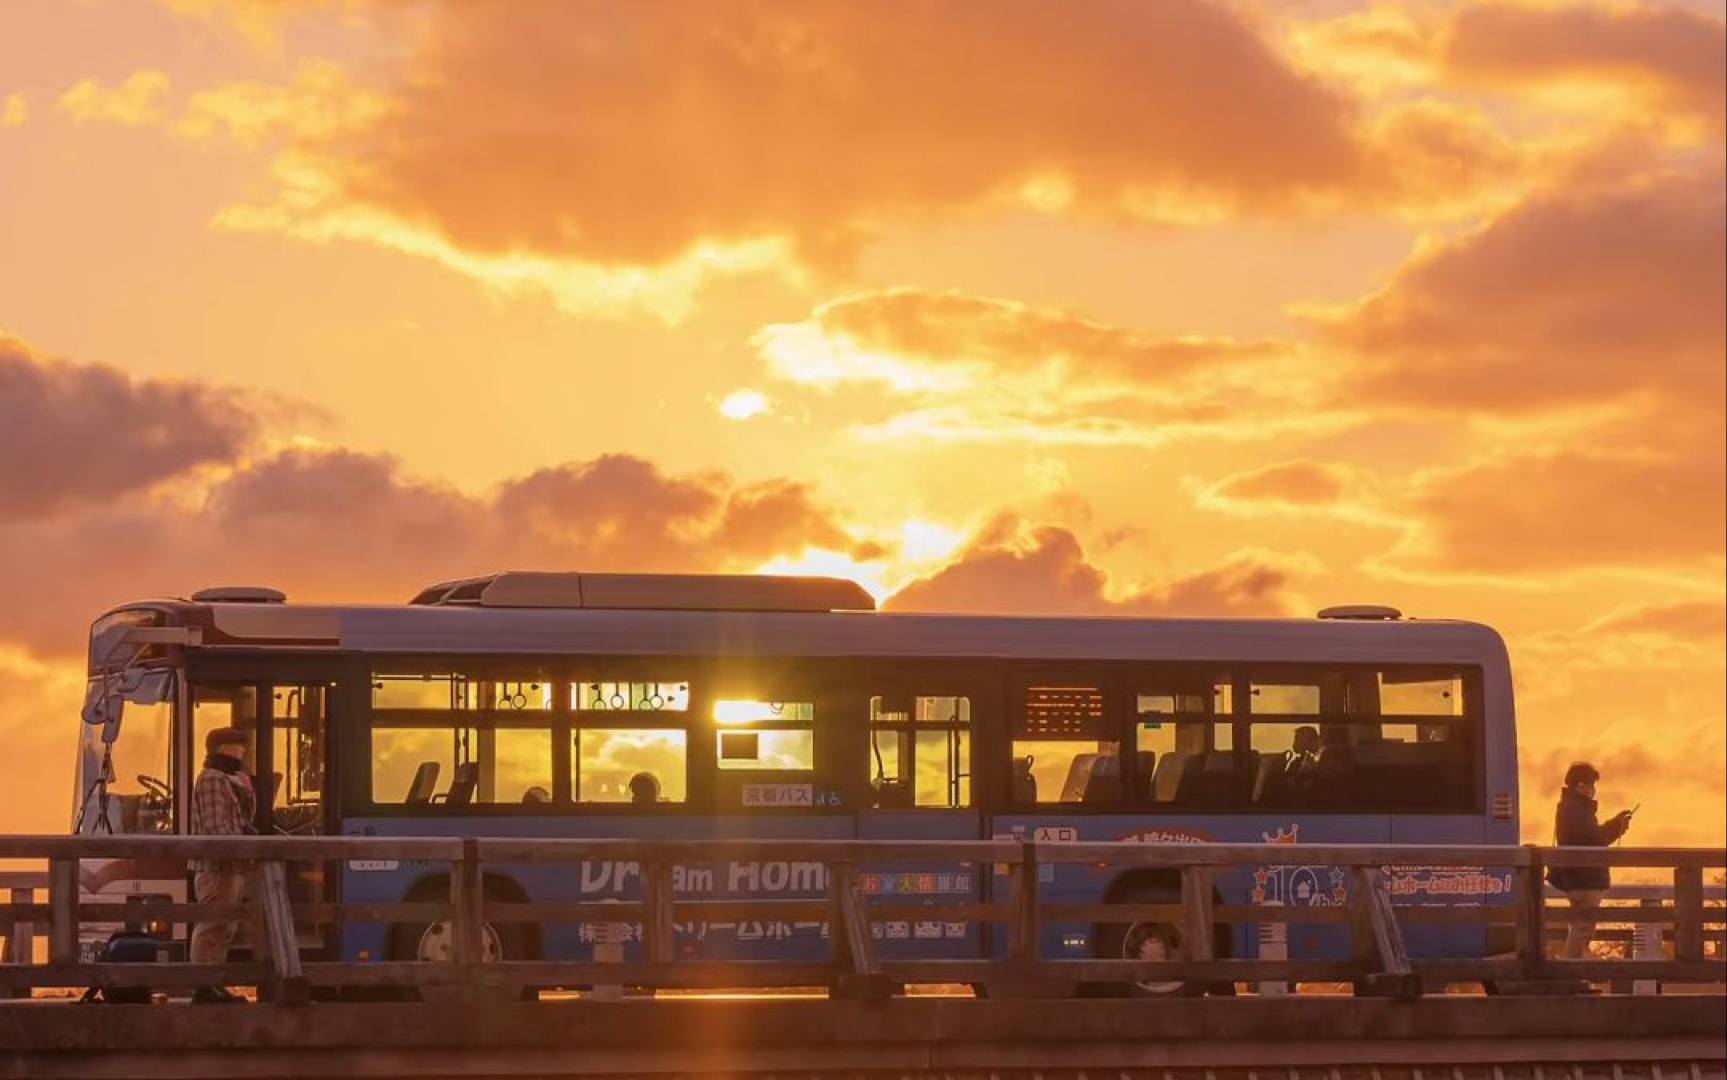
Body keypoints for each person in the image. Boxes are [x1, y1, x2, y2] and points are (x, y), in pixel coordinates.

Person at [189, 726, 256, 1003]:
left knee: (224, 927)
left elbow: (242, 820)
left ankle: (212, 984)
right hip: (219, 867)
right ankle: (204, 986)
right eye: (238, 746)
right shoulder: (213, 780)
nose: (243, 752)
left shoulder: (227, 780)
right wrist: (243, 851)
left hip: (229, 866)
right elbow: (218, 828)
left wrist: (248, 793)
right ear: (222, 748)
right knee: (213, 925)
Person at [1548, 761, 1633, 960]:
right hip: (1584, 878)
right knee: (1582, 929)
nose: (1593, 791)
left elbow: (1590, 837)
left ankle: (1574, 974)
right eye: (1591, 786)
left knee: (1581, 928)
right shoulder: (1576, 809)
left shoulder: (1569, 808)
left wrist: (1615, 825)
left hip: (1577, 878)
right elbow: (1593, 839)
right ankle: (1571, 975)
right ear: (1581, 787)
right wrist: (1616, 826)